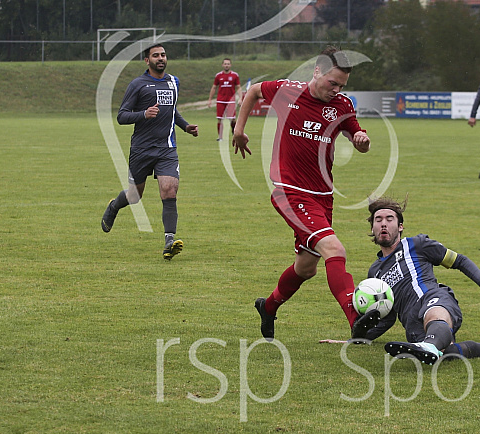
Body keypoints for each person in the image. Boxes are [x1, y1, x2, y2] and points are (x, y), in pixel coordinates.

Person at [233, 46, 374, 340]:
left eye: (341, 86)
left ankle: (268, 307)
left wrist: (362, 140)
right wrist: (239, 129)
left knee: (307, 268)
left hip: (322, 195)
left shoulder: (343, 105)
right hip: (289, 192)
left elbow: (357, 137)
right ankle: (356, 317)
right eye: (331, 83)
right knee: (335, 250)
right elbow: (254, 91)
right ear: (317, 71)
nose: (335, 90)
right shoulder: (288, 91)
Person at [358, 196, 480, 364]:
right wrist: (359, 338)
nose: (384, 224)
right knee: (447, 353)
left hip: (433, 297)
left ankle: (430, 344)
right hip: (412, 322)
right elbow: (386, 317)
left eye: (390, 219)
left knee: (434, 315)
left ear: (400, 227)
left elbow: (458, 260)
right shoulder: (375, 273)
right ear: (372, 228)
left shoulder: (417, 245)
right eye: (378, 220)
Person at [101, 43, 199, 260]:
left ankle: (169, 242)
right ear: (147, 60)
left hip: (167, 148)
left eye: (163, 54)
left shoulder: (174, 82)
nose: (160, 58)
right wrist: (143, 114)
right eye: (155, 55)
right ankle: (114, 206)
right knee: (135, 196)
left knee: (169, 190)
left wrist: (185, 126)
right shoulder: (137, 85)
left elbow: (172, 110)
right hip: (141, 149)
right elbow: (122, 116)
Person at [208, 58, 240, 141]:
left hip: (231, 101)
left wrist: (240, 98)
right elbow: (214, 87)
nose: (226, 65)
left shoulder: (235, 75)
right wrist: (210, 99)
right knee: (220, 119)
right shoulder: (218, 76)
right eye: (225, 64)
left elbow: (238, 87)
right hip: (220, 100)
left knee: (232, 119)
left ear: (230, 65)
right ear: (222, 65)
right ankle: (220, 137)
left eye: (228, 64)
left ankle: (234, 135)